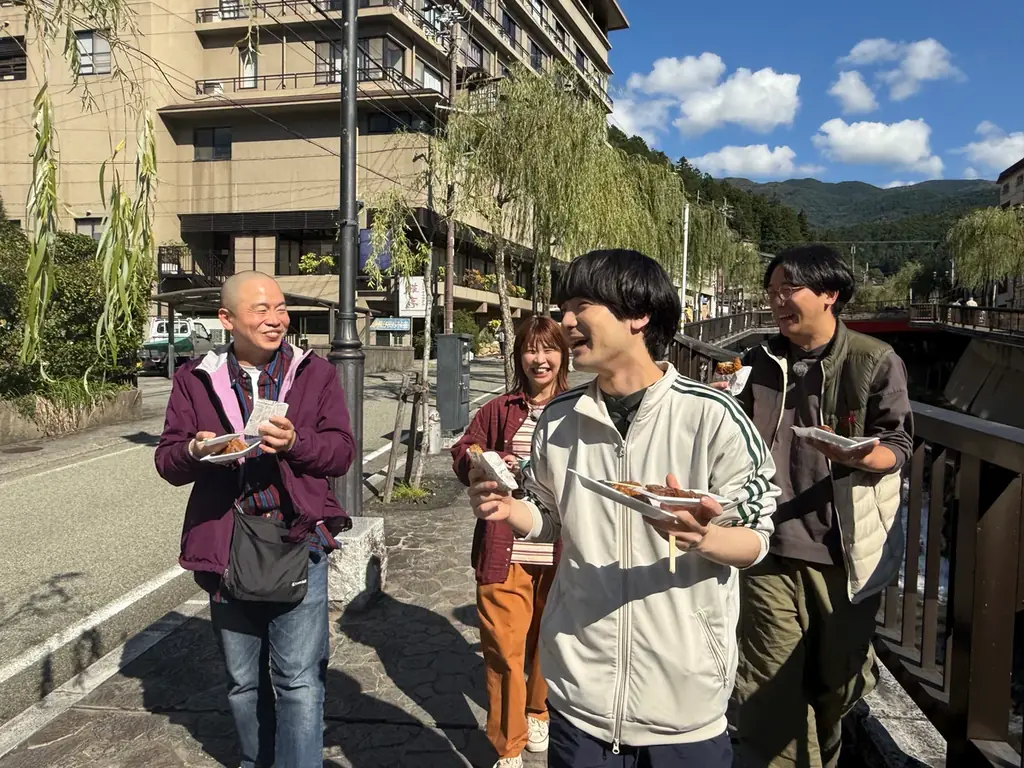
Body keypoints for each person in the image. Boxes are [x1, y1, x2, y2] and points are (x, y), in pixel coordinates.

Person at [468, 249, 779, 768]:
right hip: (580, 694)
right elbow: (547, 519)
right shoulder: (559, 419)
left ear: (638, 314)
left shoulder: (712, 415)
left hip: (684, 705)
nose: (566, 321)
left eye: (582, 305)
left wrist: (704, 537)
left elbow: (755, 537)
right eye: (564, 306)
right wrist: (507, 508)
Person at [155, 271, 355, 768]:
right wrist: (196, 449)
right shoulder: (194, 378)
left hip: (296, 538)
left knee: (299, 681)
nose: (275, 319)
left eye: (280, 308)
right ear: (227, 320)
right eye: (260, 310)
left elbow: (341, 453)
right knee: (243, 681)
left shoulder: (315, 373)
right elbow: (166, 461)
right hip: (226, 542)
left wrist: (296, 443)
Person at [729, 245, 913, 768]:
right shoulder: (760, 361)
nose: (777, 301)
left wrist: (858, 455)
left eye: (789, 288)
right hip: (767, 544)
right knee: (769, 688)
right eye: (772, 292)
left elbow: (897, 445)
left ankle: (828, 745)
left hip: (843, 552)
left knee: (837, 685)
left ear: (829, 294)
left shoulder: (874, 360)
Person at [451, 315, 571, 768]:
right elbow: (464, 450)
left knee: (548, 642)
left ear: (563, 355)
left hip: (562, 552)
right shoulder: (501, 408)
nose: (540, 360)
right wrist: (482, 461)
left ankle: (538, 711)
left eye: (549, 350)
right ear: (518, 356)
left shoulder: (580, 407)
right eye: (530, 350)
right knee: (503, 650)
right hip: (505, 549)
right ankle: (509, 745)